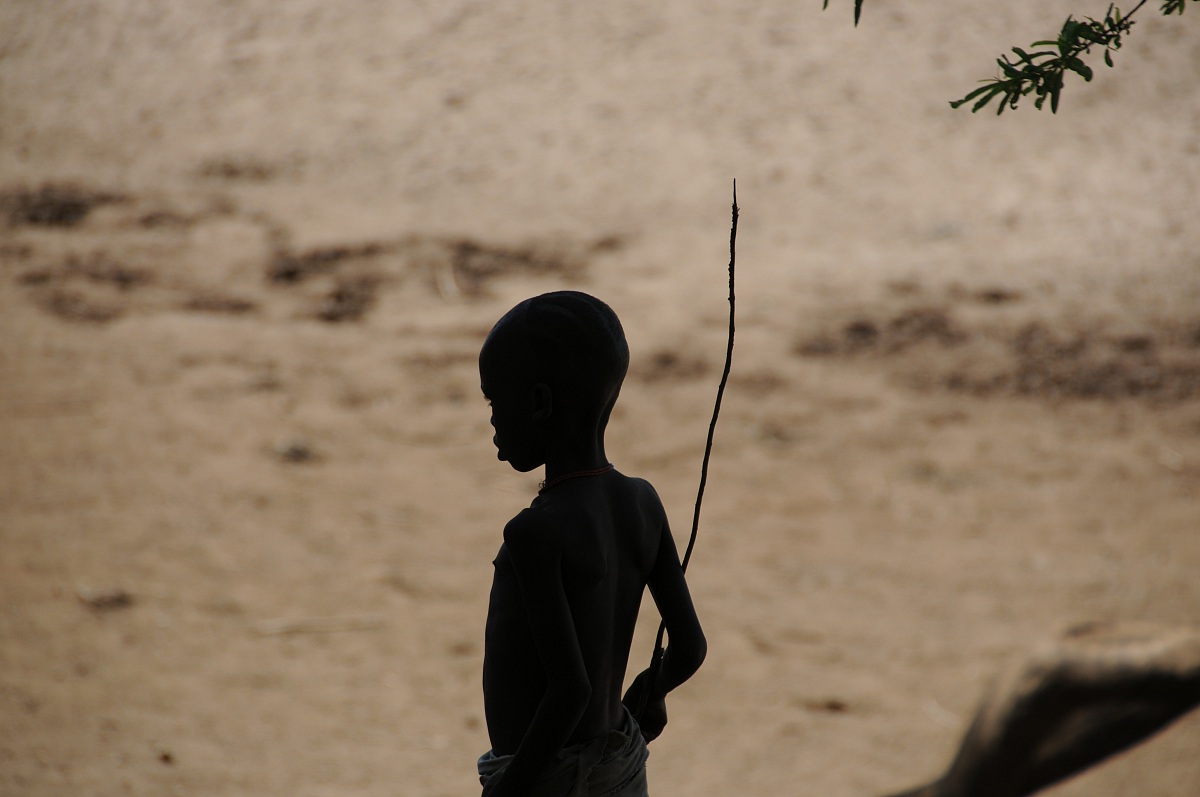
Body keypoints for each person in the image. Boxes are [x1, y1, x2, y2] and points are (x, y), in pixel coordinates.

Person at [476, 291, 707, 797]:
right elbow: (690, 647)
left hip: (552, 782)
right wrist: (654, 689)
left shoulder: (534, 533)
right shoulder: (642, 502)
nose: (491, 417)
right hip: (619, 767)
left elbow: (569, 692)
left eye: (495, 399)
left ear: (539, 402)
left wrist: (508, 790)